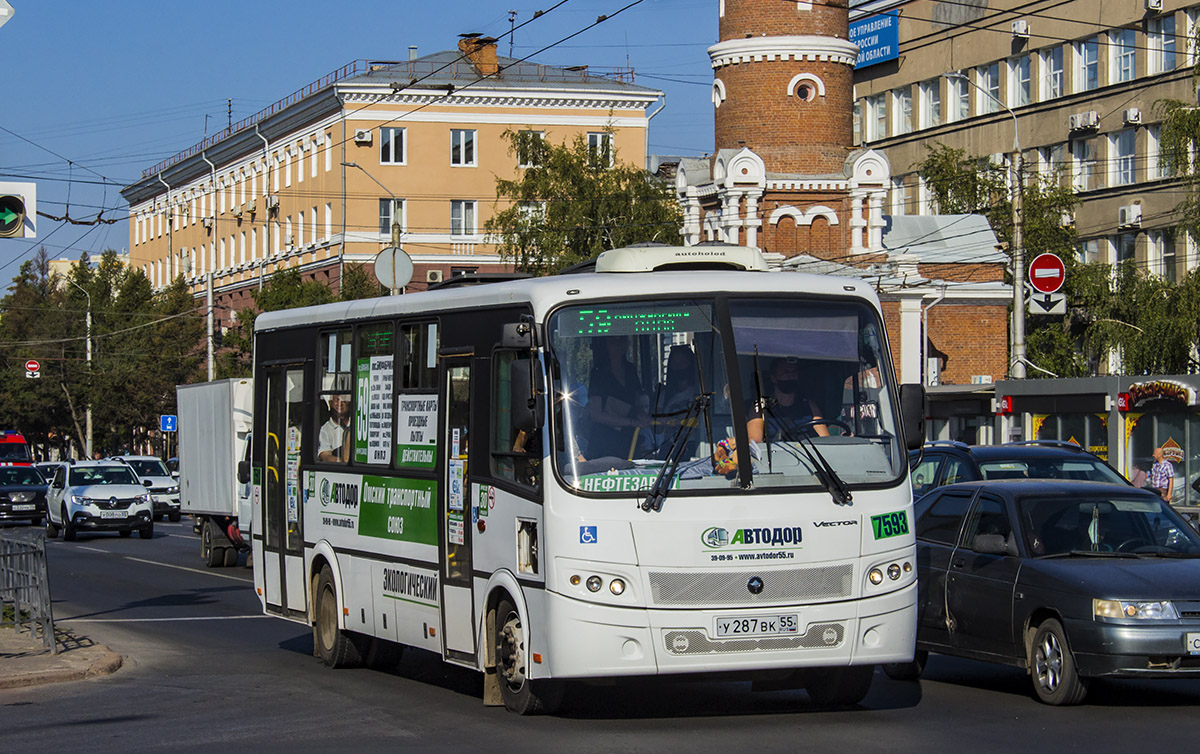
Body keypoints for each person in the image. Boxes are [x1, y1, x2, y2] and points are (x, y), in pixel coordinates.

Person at [587, 335, 648, 459]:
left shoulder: (630, 369)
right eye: (613, 341)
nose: (618, 344)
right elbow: (596, 414)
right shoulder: (598, 373)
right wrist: (631, 422)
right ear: (605, 345)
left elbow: (637, 401)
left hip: (629, 441)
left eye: (622, 340)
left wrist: (642, 414)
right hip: (604, 444)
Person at [747, 357, 829, 443]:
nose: (791, 375)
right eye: (786, 372)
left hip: (806, 454)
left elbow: (824, 440)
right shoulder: (760, 408)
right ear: (773, 378)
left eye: (794, 372)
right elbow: (755, 442)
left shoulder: (810, 406)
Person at [318, 394, 351, 462]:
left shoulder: (357, 423)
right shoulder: (325, 429)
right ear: (330, 403)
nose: (340, 403)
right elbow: (325, 455)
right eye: (336, 400)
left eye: (344, 400)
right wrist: (344, 463)